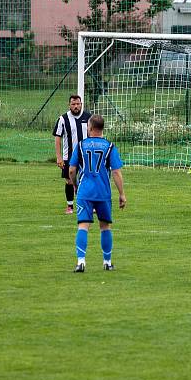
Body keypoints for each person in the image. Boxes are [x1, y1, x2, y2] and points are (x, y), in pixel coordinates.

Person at [69, 114, 126, 273]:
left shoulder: (81, 145)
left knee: (83, 226)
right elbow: (116, 172)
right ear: (102, 129)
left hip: (85, 192)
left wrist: (75, 185)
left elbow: (72, 170)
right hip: (103, 193)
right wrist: (122, 194)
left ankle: (81, 262)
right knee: (105, 227)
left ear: (91, 128)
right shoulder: (109, 146)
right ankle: (107, 262)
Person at [54, 95, 91, 214]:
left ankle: (90, 205)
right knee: (69, 181)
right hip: (69, 156)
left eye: (78, 104)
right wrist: (59, 157)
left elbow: (94, 135)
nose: (76, 106)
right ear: (69, 105)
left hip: (85, 155)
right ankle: (70, 206)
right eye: (73, 104)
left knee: (89, 179)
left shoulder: (89, 117)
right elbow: (58, 138)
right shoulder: (63, 119)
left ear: (81, 104)